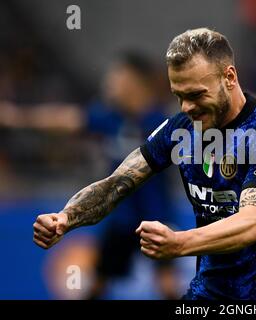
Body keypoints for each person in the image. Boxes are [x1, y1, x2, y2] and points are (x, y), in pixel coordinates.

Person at [32, 28, 256, 300]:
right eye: (179, 96)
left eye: (196, 95)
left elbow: (254, 223)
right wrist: (67, 217)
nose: (186, 107)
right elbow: (116, 184)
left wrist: (180, 243)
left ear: (229, 77)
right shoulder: (182, 130)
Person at [2, 52, 179, 299]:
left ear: (135, 82)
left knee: (168, 286)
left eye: (117, 77)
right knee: (97, 286)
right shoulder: (109, 118)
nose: (110, 83)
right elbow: (66, 119)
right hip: (120, 219)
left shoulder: (163, 121)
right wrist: (18, 117)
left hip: (156, 215)